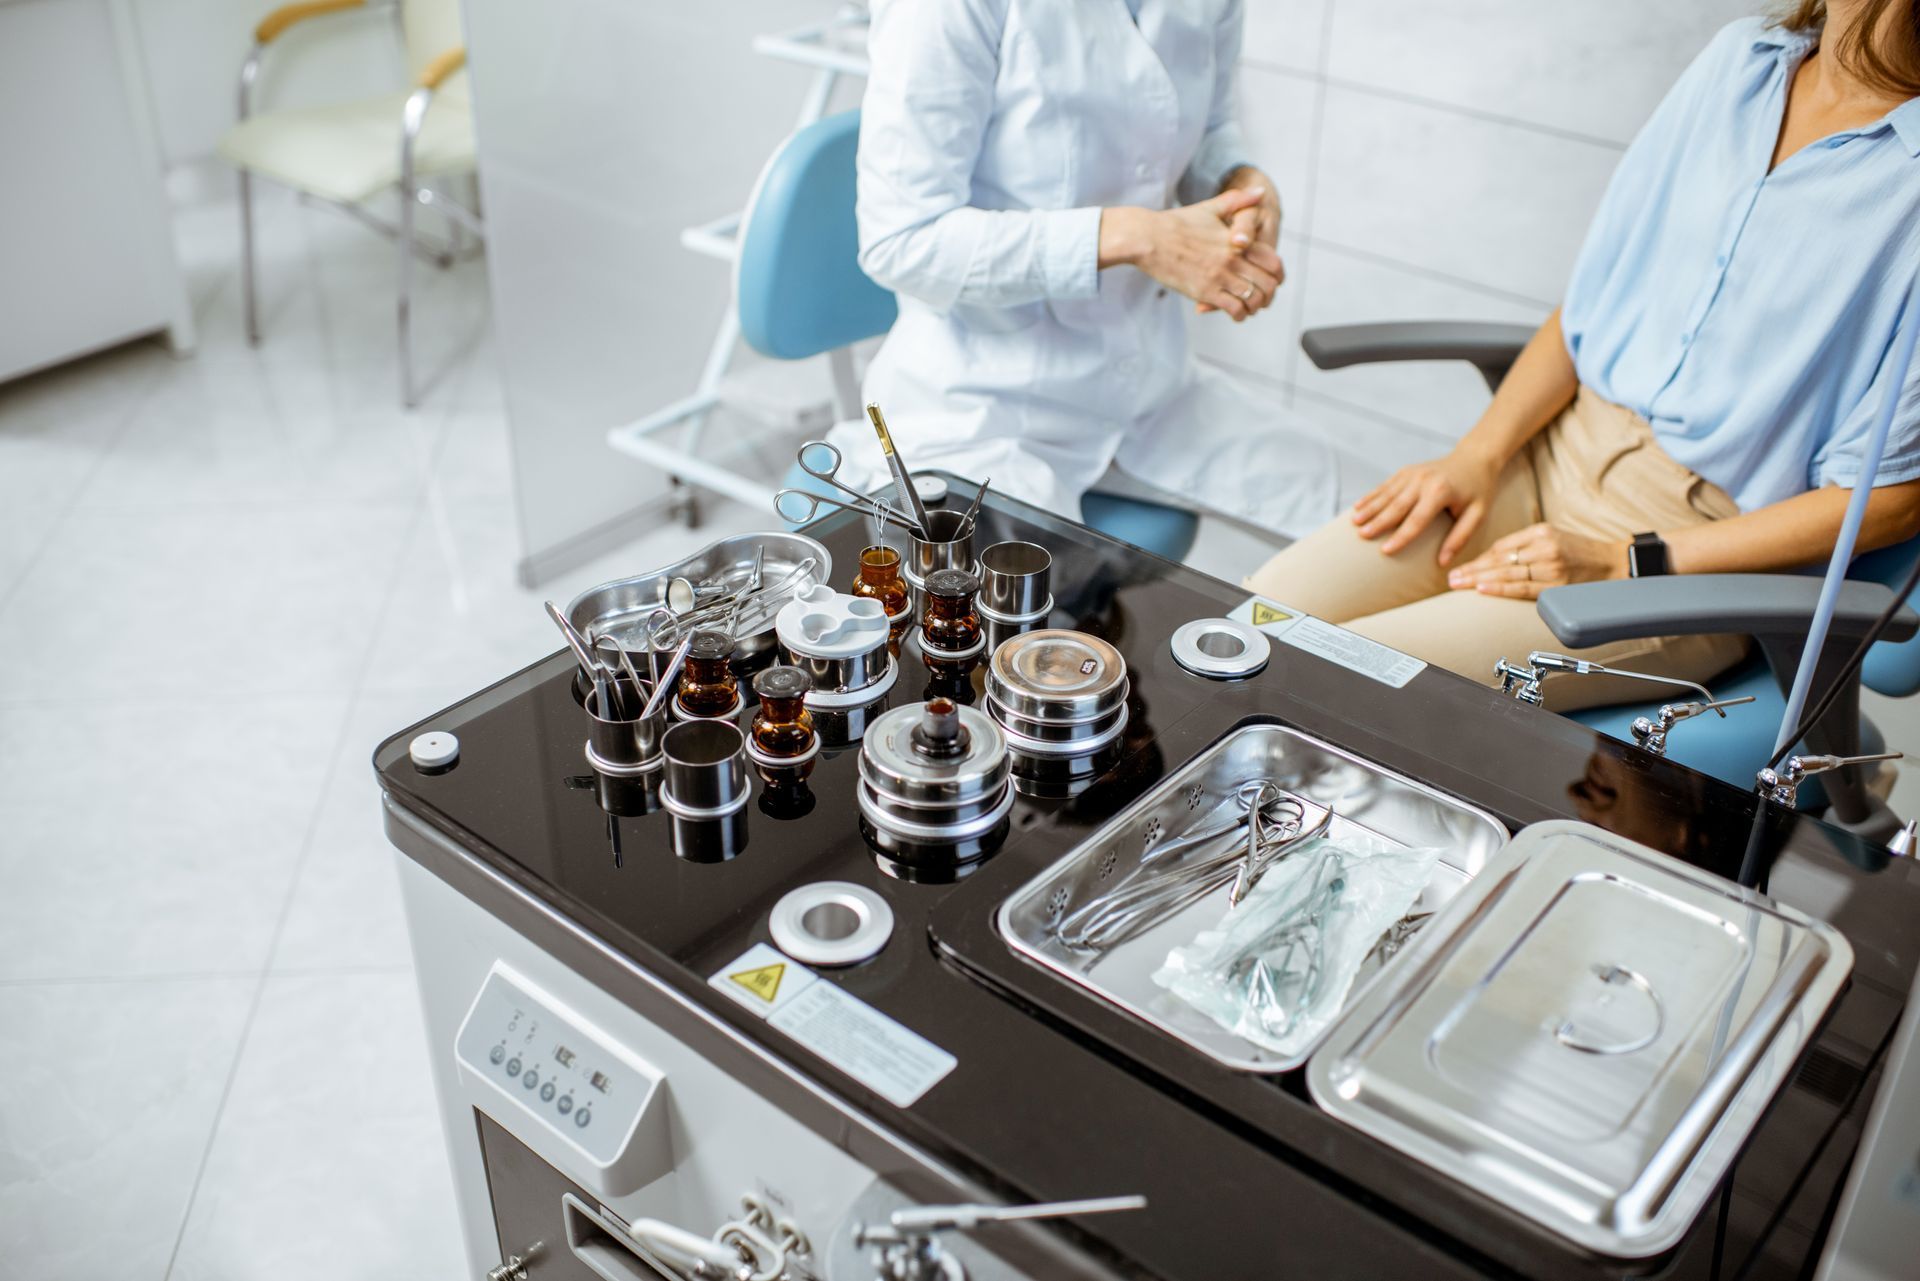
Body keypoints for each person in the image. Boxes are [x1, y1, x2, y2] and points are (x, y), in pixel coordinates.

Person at [1247, 1, 1920, 710]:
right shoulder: (1740, 63)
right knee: (1250, 625)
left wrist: (1627, 559)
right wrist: (1476, 457)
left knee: (1336, 683)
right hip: (1549, 454)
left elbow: (1893, 502)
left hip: (1696, 553)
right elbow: (1594, 301)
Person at [817, 0, 1336, 536]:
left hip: (1151, 388)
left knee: (1350, 509)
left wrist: (1237, 180)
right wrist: (1132, 236)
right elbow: (901, 240)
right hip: (984, 408)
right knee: (1020, 608)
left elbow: (1211, 123)